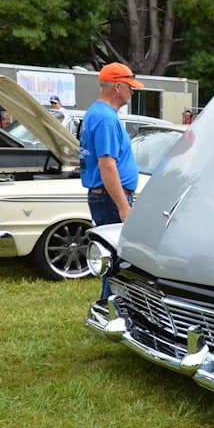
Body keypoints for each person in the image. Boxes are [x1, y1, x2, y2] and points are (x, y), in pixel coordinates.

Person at [80, 62, 143, 299]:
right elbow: (107, 165)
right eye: (130, 86)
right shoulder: (106, 118)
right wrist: (123, 206)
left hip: (104, 197)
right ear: (117, 86)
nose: (133, 91)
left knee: (112, 256)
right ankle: (111, 307)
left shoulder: (96, 112)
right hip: (110, 199)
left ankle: (110, 305)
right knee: (117, 258)